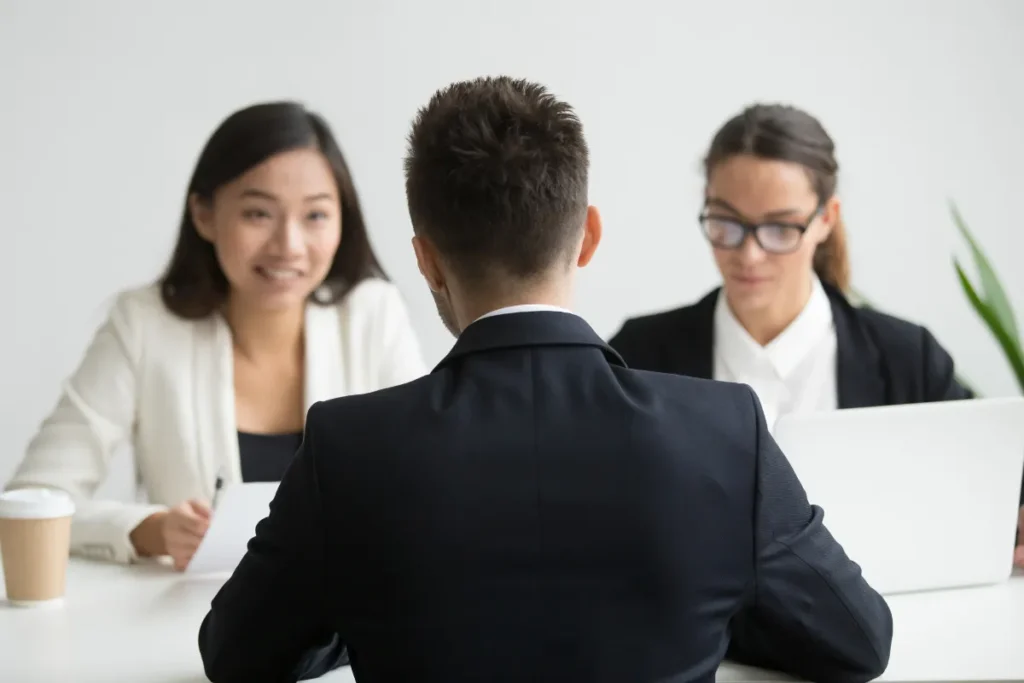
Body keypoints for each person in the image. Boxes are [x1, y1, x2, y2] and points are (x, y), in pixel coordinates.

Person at [197, 77, 892, 683]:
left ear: (427, 261)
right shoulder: (724, 430)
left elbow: (235, 655)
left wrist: (355, 607)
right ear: (588, 236)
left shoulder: (345, 447)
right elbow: (859, 641)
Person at [5, 102, 426, 569]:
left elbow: (429, 487)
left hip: (355, 629)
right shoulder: (143, 325)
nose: (288, 245)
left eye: (315, 216)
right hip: (195, 626)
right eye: (258, 214)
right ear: (204, 214)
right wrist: (152, 531)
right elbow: (31, 500)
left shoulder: (372, 314)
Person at [606, 104, 1024, 566]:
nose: (749, 254)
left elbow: (989, 485)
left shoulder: (908, 359)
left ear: (826, 219)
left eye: (780, 228)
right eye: (725, 221)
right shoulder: (639, 354)